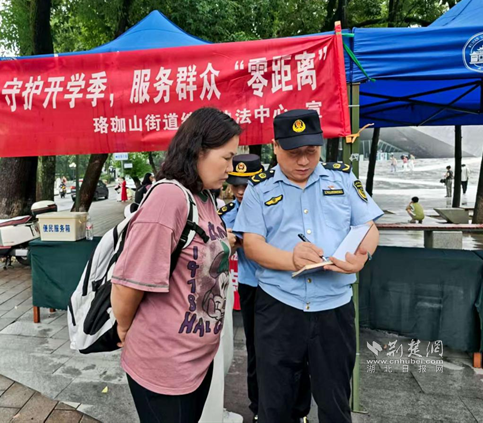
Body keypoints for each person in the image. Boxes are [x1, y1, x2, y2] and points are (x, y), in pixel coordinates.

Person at [234, 109, 382, 423]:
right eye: (293, 153)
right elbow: (252, 245)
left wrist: (363, 256)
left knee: (335, 401)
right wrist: (291, 259)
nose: (303, 161)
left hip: (334, 309)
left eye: (311, 151)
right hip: (279, 308)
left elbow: (368, 227)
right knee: (276, 404)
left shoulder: (342, 179)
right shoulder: (259, 189)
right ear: (275, 147)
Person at [110, 108, 241, 423]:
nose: (231, 167)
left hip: (197, 360)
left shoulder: (205, 198)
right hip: (164, 364)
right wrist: (124, 328)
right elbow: (127, 284)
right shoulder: (169, 198)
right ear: (198, 151)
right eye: (226, 158)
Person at [218, 154, 312, 423]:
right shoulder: (227, 213)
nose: (240, 191)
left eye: (246, 185)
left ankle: (298, 409)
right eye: (236, 185)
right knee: (257, 350)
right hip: (252, 287)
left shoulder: (280, 204)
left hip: (285, 285)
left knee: (296, 348)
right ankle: (259, 406)